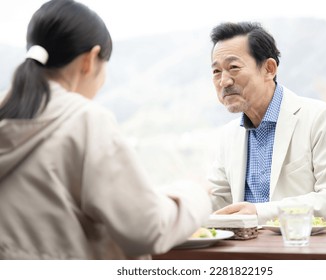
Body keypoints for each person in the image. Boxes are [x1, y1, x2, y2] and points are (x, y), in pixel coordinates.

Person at [0, 0, 211, 259]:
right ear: (89, 60)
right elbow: (148, 229)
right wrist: (196, 194)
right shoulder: (86, 121)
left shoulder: (9, 115)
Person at [208, 22, 326, 225]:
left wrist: (260, 212)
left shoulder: (320, 118)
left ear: (269, 69)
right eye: (216, 71)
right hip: (245, 253)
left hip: (305, 250)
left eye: (233, 68)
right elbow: (218, 201)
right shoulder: (228, 135)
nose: (224, 81)